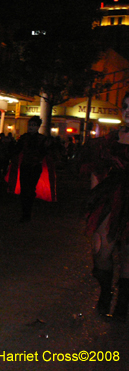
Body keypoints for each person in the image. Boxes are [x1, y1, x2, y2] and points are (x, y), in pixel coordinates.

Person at [83, 92, 129, 322]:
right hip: (111, 198)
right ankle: (105, 292)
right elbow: (96, 169)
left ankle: (122, 302)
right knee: (101, 250)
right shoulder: (109, 141)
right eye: (126, 106)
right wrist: (95, 198)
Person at [6, 116, 56, 223]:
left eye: (34, 125)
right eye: (30, 125)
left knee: (30, 189)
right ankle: (25, 213)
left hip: (35, 167)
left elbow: (46, 153)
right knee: (25, 190)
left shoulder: (42, 139)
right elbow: (16, 150)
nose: (31, 127)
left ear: (38, 127)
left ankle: (27, 213)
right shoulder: (24, 138)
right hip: (25, 166)